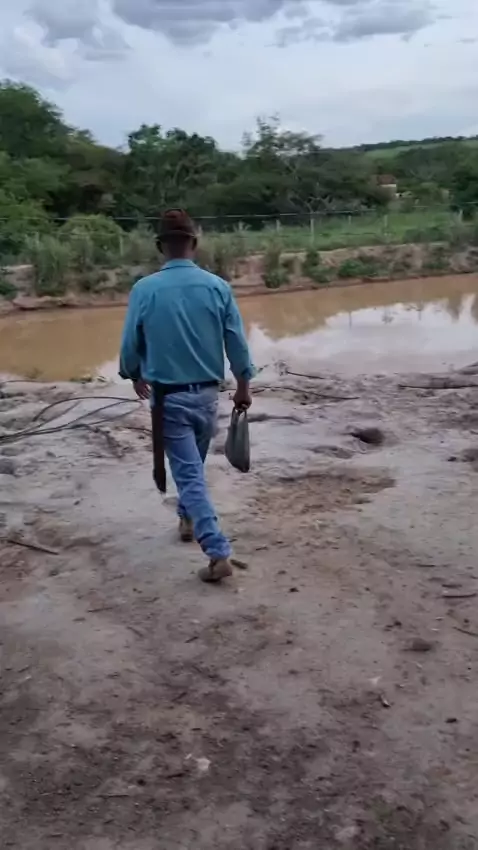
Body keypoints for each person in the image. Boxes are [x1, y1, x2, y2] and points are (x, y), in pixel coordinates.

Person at [119, 209, 254, 583]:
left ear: (160, 246)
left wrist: (133, 373)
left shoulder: (145, 289)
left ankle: (217, 551)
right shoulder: (217, 287)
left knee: (189, 472)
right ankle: (186, 518)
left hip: (168, 400)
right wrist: (243, 385)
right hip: (207, 397)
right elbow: (236, 342)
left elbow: (130, 344)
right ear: (194, 243)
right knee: (192, 466)